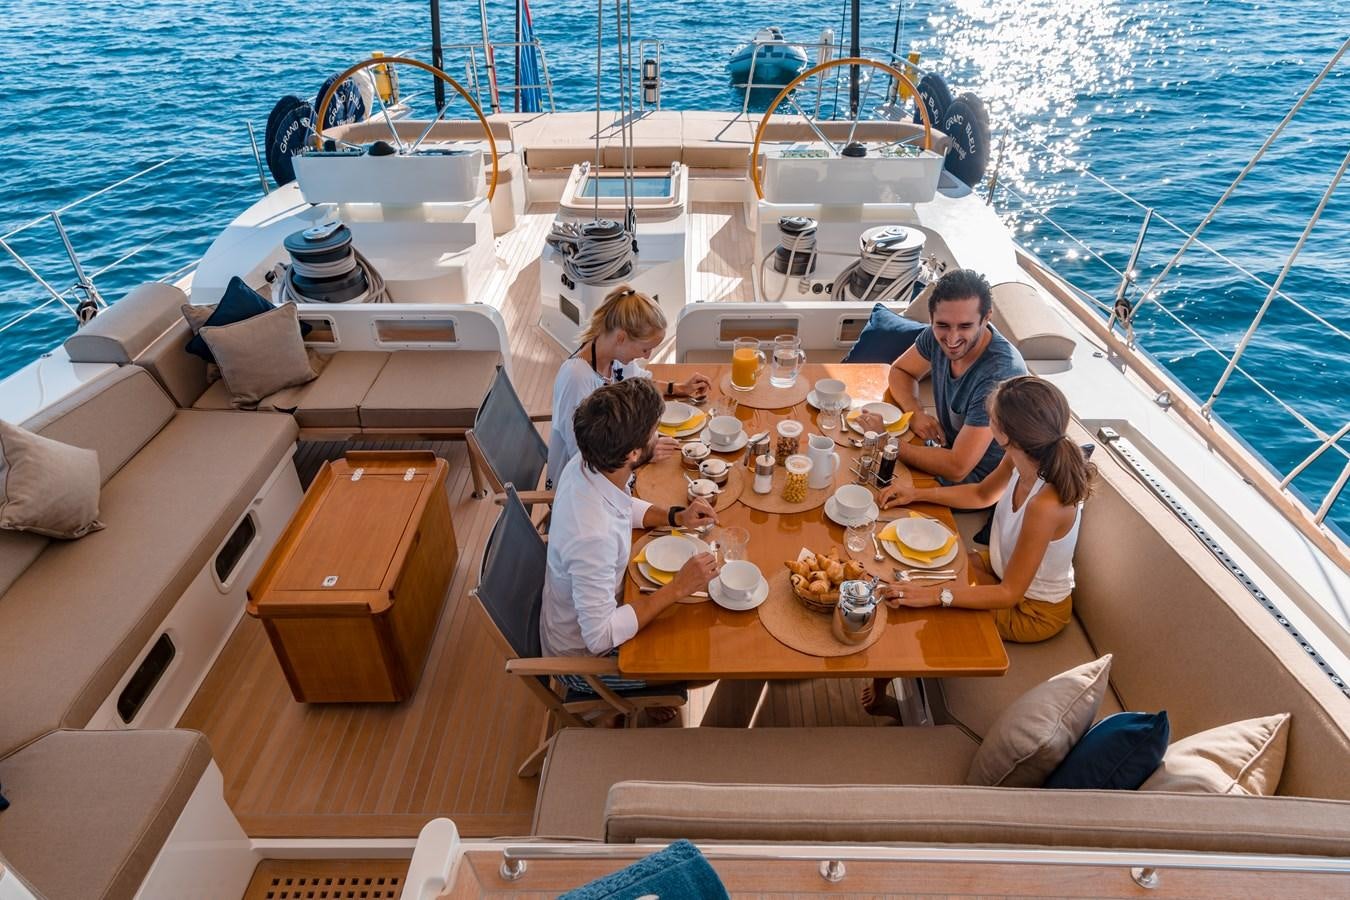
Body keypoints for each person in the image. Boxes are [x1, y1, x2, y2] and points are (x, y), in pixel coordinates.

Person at [862, 375, 1096, 718]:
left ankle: (884, 695)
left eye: (991, 419)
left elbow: (1009, 594)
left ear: (1005, 433)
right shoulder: (1020, 457)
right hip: (1000, 566)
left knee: (917, 600)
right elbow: (982, 494)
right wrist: (917, 494)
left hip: (1032, 610)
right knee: (907, 566)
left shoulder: (1046, 504)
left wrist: (937, 595)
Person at [542, 378, 720, 720]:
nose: (658, 436)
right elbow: (599, 637)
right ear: (634, 454)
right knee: (704, 664)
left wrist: (676, 516)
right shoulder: (592, 537)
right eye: (654, 431)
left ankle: (650, 696)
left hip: (599, 603)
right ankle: (646, 696)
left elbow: (623, 506)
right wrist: (678, 587)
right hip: (584, 663)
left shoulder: (587, 462)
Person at [856, 269, 1027, 486]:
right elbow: (901, 371)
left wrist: (884, 441)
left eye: (965, 326)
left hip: (975, 482)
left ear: (986, 319)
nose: (952, 338)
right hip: (943, 451)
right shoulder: (935, 336)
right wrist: (916, 412)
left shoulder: (999, 376)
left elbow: (957, 467)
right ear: (931, 318)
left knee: (866, 482)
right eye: (942, 325)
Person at [548, 284, 711, 486]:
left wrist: (678, 388)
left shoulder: (613, 357)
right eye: (645, 349)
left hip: (617, 461)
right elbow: (584, 456)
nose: (648, 356)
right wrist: (643, 455)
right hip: (584, 485)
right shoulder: (576, 378)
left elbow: (642, 384)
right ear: (621, 338)